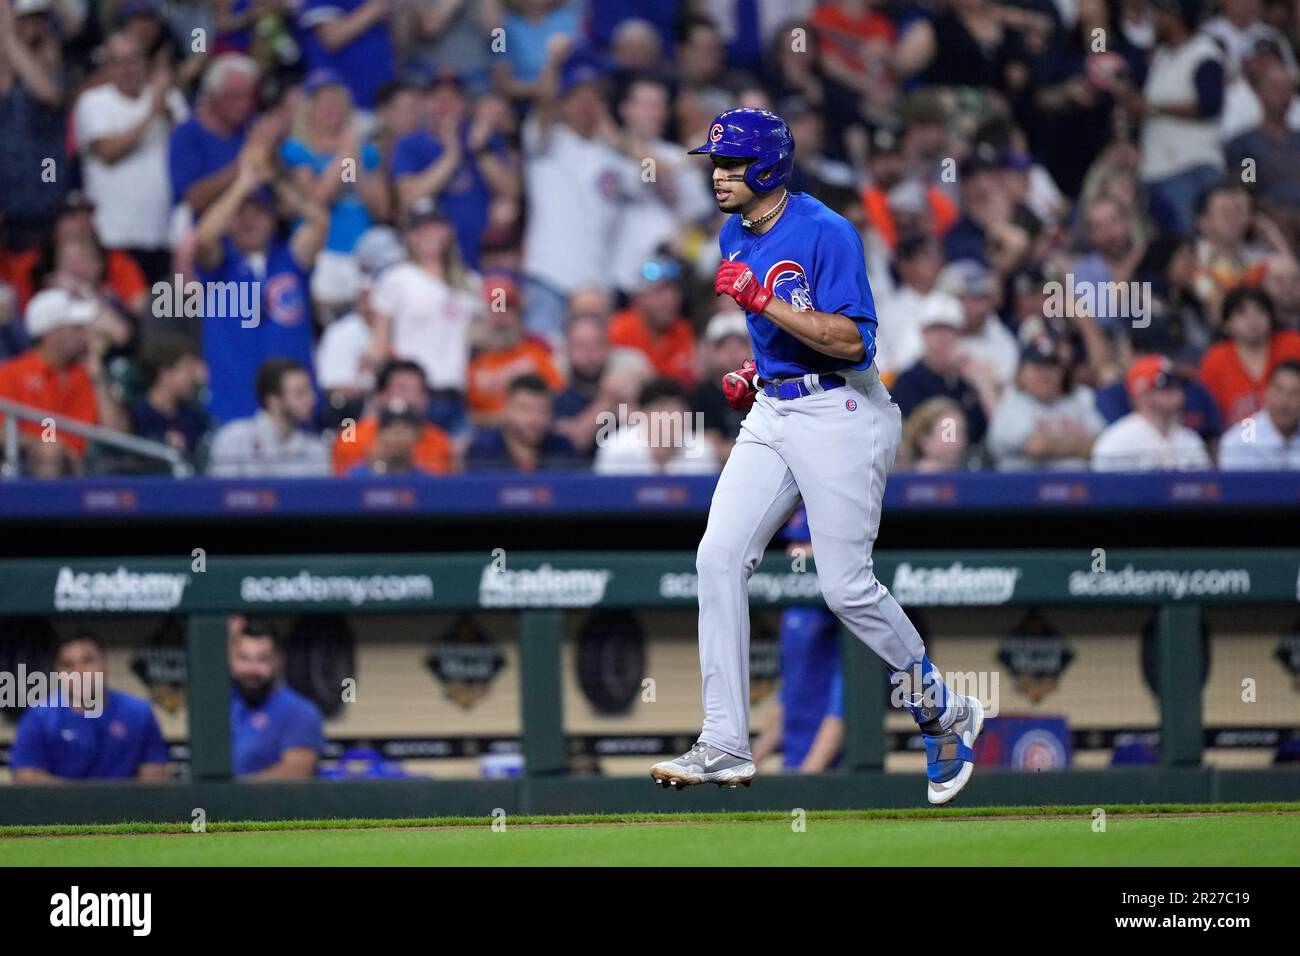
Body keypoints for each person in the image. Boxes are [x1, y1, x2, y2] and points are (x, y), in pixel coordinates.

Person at [648, 109, 985, 805]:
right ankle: (725, 743)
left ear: (768, 167)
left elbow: (854, 343)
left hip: (845, 409)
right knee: (716, 557)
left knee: (845, 587)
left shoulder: (829, 231)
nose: (717, 175)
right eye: (714, 162)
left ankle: (942, 712)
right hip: (778, 407)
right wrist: (758, 369)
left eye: (731, 163)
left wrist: (766, 307)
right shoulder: (732, 232)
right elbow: (783, 333)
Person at [192, 144, 329, 424]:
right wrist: (242, 184)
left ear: (272, 218)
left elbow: (319, 221)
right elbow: (204, 238)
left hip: (296, 411)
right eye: (241, 213)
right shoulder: (221, 266)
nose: (250, 220)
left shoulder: (289, 260)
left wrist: (273, 180)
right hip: (233, 408)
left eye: (259, 212)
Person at [72, 30, 187, 282]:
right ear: (107, 66)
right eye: (118, 61)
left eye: (134, 60)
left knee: (162, 316)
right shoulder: (92, 102)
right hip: (112, 236)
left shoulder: (171, 99)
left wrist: (163, 106)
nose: (128, 69)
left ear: (146, 62)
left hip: (163, 235)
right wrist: (150, 113)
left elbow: (185, 150)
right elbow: (108, 152)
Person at [368, 196, 482, 439]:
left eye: (434, 226)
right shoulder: (396, 278)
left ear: (448, 231)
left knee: (454, 466)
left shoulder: (470, 284)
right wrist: (375, 395)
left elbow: (478, 340)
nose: (427, 234)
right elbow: (379, 343)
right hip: (414, 395)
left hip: (457, 393)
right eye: (419, 229)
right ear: (409, 237)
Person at [10, 631, 170, 782]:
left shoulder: (139, 712)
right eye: (68, 665)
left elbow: (155, 776)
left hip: (125, 810)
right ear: (58, 672)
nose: (79, 671)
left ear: (104, 663)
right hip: (59, 810)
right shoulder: (38, 718)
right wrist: (83, 802)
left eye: (88, 661)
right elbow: (26, 776)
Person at [0, 288, 128, 476]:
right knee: (50, 450)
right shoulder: (11, 374)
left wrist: (98, 376)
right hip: (28, 470)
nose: (86, 334)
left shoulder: (89, 374)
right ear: (50, 333)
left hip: (87, 470)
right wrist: (44, 444)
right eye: (76, 327)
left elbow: (118, 435)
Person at [890, 292, 997, 446]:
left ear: (959, 334)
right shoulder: (908, 381)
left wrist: (982, 383)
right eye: (935, 330)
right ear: (923, 334)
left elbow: (1001, 432)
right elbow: (905, 439)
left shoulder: (968, 379)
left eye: (949, 330)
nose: (942, 337)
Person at [987, 335, 1106, 470]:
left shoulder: (1076, 402)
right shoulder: (1012, 403)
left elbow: (1101, 446)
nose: (1046, 375)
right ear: (1021, 373)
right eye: (1038, 367)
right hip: (1023, 487)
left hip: (1079, 486)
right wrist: (1077, 441)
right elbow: (1037, 447)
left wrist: (1053, 441)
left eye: (1052, 367)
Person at [228, 615, 324, 778]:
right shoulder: (224, 702)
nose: (251, 669)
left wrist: (228, 794)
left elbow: (296, 773)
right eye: (243, 658)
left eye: (262, 659)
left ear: (278, 661)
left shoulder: (299, 712)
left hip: (272, 803)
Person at [206, 358, 331, 477]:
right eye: (300, 393)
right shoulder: (233, 440)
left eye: (310, 391)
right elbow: (220, 495)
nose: (312, 399)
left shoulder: (316, 450)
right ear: (273, 400)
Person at [332, 358, 453, 475]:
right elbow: (343, 485)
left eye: (418, 390)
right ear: (380, 396)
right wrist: (372, 462)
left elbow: (439, 488)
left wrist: (406, 461)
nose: (410, 397)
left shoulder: (438, 440)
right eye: (402, 388)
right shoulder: (350, 435)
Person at [1092, 354, 1213, 469]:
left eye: (1178, 383)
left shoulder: (1191, 441)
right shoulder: (1116, 443)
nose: (1175, 390)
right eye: (1166, 384)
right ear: (1142, 393)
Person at [1200, 287, 1300, 425]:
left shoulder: (1293, 345)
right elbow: (1208, 415)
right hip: (1239, 440)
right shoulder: (1215, 361)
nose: (1253, 319)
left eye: (1260, 310)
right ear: (1227, 324)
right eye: (1242, 313)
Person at [594, 376, 719, 475]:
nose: (671, 420)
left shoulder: (701, 450)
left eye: (677, 412)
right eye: (662, 411)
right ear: (643, 414)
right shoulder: (616, 448)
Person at [464, 372, 578, 471]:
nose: (534, 419)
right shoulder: (483, 451)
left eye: (542, 410)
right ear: (507, 410)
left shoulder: (563, 450)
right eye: (524, 409)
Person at [129, 334, 210, 460]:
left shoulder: (193, 416)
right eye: (186, 370)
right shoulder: (137, 414)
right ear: (166, 375)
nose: (191, 378)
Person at [1218, 359, 1300, 467]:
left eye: (1294, 393)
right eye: (1279, 391)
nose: (1284, 402)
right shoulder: (1238, 441)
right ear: (1266, 392)